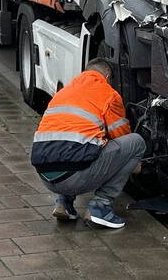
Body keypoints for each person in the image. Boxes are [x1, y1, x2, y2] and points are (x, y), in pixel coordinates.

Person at [30, 58, 145, 228]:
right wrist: (134, 161)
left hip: (45, 176)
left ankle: (64, 202)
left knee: (74, 147)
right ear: (107, 78)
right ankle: (101, 207)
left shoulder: (63, 92)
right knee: (136, 143)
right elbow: (121, 137)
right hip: (75, 177)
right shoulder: (109, 94)